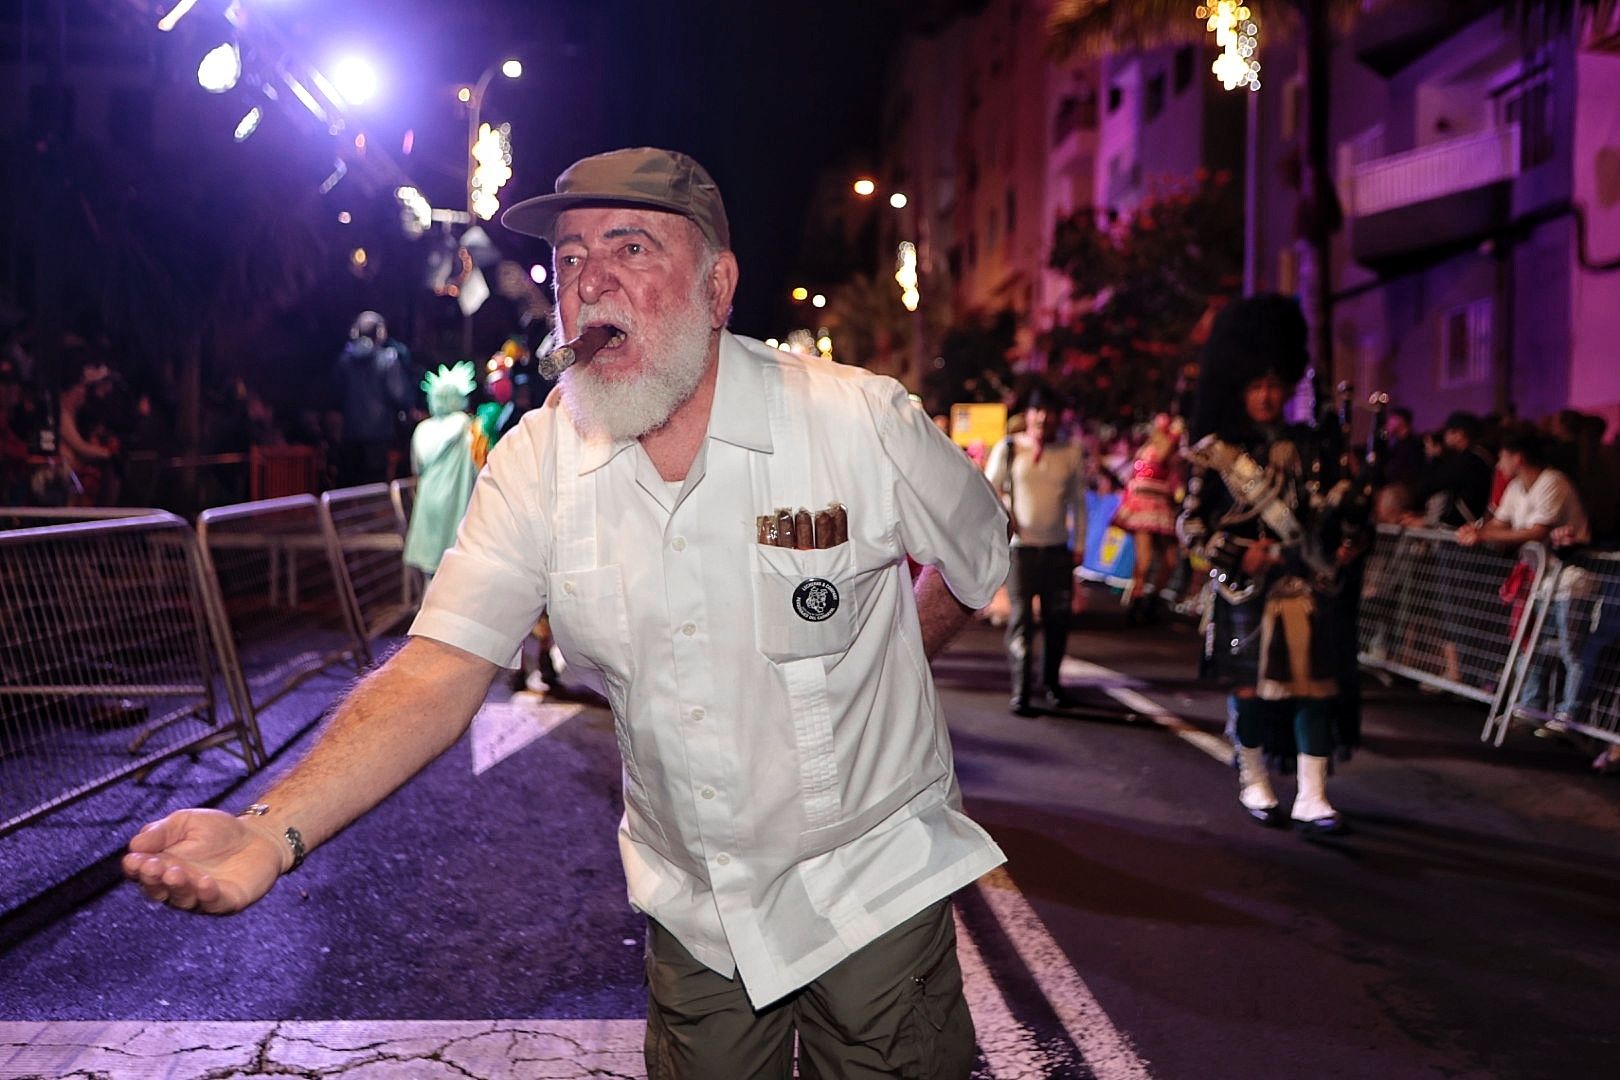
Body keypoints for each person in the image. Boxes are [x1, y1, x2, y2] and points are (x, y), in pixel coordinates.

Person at [123, 147, 1010, 1080]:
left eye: (631, 248)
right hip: (697, 910)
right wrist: (270, 829)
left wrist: (891, 655)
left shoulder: (854, 421)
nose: (591, 282)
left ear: (718, 287)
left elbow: (974, 553)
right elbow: (437, 669)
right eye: (574, 258)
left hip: (869, 888)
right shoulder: (539, 461)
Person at [1178, 295, 1366, 835]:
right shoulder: (1216, 456)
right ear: (1240, 388)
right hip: (1242, 590)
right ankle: (1254, 779)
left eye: (1274, 385)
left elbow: (1339, 511)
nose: (1266, 395)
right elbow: (1190, 525)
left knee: (1315, 689)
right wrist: (1238, 552)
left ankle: (1313, 793)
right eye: (1256, 385)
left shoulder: (1312, 447)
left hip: (1301, 586)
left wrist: (1350, 539)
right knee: (1248, 692)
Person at [1458, 429, 1591, 727]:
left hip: (1568, 580)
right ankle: (1530, 706)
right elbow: (1500, 523)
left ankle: (1569, 713)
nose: (1498, 464)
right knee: (1529, 643)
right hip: (1538, 582)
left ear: (1517, 457)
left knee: (1572, 650)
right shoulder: (1517, 487)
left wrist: (1483, 534)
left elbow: (1537, 531)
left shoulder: (1552, 482)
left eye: (1502, 457)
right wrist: (1477, 531)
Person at [984, 384, 1086, 716]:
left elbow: (1079, 504)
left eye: (1051, 413)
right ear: (1028, 414)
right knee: (1021, 620)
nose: (1044, 418)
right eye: (1038, 410)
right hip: (1021, 551)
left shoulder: (1070, 453)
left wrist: (1080, 545)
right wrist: (1004, 518)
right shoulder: (1010, 449)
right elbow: (987, 490)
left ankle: (1053, 685)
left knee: (1058, 620)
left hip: (1056, 550)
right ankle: (1022, 690)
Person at [402, 362, 480, 579]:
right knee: (455, 575)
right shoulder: (469, 427)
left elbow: (416, 468)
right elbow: (478, 467)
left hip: (427, 506)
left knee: (430, 575)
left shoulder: (422, 430)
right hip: (457, 507)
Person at [1111, 412, 1182, 623]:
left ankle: (1152, 600)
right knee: (1145, 558)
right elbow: (1161, 455)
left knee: (1170, 559)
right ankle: (1137, 601)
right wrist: (1175, 435)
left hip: (1163, 509)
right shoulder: (1152, 451)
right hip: (1144, 507)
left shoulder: (1173, 456)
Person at [335, 310, 415, 486]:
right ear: (380, 332)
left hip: (350, 434)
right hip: (380, 434)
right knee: (374, 487)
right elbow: (400, 395)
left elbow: (337, 395)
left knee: (350, 485)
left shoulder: (344, 360)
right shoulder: (387, 359)